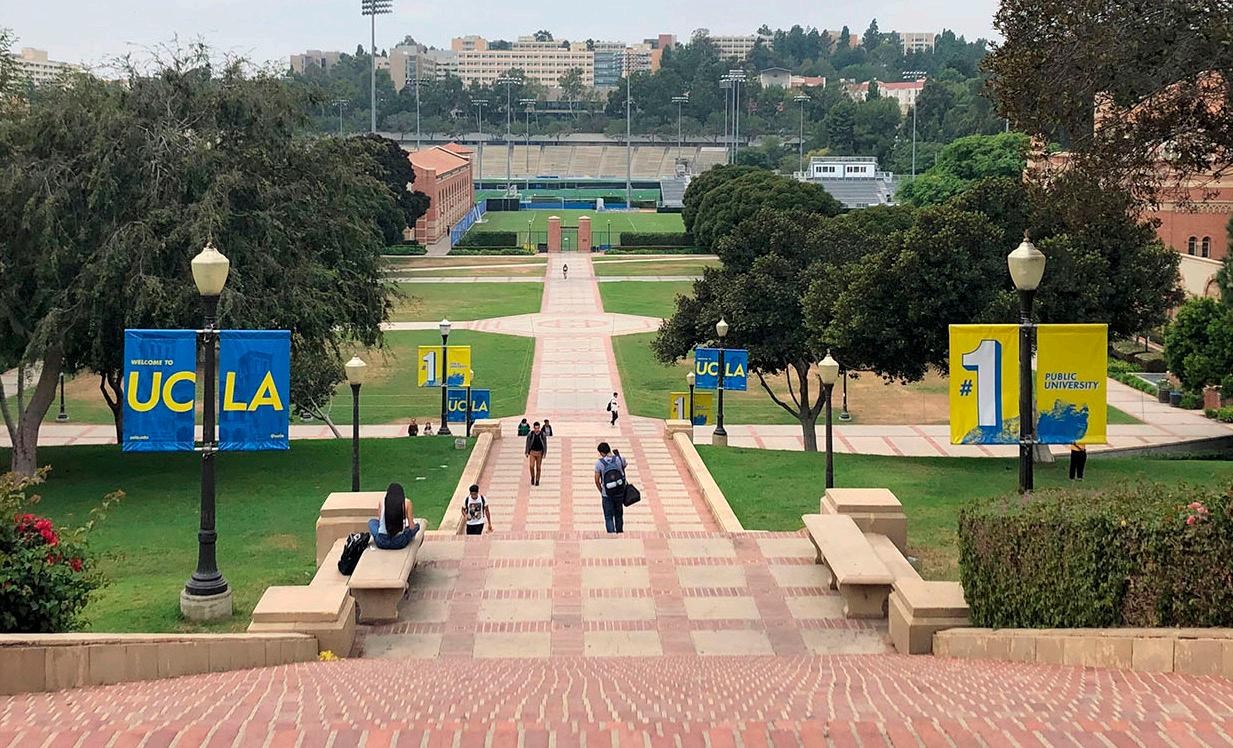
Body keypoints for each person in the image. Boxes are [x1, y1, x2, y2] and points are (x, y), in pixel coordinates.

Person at [368, 483, 418, 550]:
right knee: (417, 526)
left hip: (382, 542)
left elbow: (380, 523)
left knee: (372, 522)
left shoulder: (382, 501)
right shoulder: (407, 502)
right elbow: (412, 526)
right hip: (399, 542)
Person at [594, 442, 628, 534]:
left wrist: (601, 490)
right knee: (618, 514)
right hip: (619, 491)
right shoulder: (619, 459)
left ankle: (611, 535)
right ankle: (619, 532)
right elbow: (625, 465)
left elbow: (596, 480)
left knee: (608, 516)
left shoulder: (599, 463)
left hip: (607, 494)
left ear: (601, 453)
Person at [526, 421, 548, 486]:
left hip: (539, 453)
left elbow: (545, 444)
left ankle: (537, 480)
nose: (537, 430)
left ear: (539, 428)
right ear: (534, 428)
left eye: (538, 428)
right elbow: (527, 443)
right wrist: (526, 452)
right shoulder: (531, 434)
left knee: (538, 467)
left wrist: (544, 453)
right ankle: (533, 477)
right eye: (535, 428)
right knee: (531, 466)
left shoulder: (542, 434)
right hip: (532, 452)